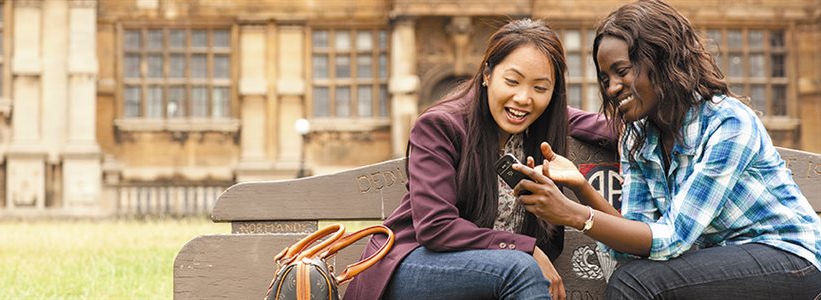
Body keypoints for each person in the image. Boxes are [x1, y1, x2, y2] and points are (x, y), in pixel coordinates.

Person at [509, 1, 821, 299]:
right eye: (605, 78)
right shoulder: (638, 136)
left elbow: (672, 238)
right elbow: (633, 241)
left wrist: (573, 214)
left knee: (637, 283)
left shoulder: (727, 122)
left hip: (790, 258)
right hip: (719, 262)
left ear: (661, 59)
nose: (612, 87)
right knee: (635, 274)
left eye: (622, 70)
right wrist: (579, 185)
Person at [342, 19, 616, 300]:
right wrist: (524, 247)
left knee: (518, 270)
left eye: (540, 88)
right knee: (520, 269)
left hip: (494, 274)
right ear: (487, 74)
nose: (523, 98)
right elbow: (437, 228)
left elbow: (612, 128)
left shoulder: (542, 122)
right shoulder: (440, 126)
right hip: (412, 265)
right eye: (512, 81)